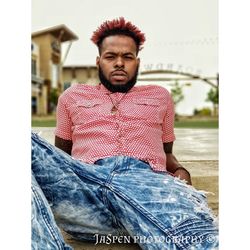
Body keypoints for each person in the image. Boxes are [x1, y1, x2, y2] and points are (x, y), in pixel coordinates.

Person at [32, 17, 218, 249]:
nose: (119, 63)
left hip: (146, 188)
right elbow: (61, 159)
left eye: (127, 57)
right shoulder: (72, 97)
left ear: (137, 63)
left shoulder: (160, 96)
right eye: (111, 57)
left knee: (199, 239)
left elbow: (167, 154)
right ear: (99, 61)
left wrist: (180, 170)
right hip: (86, 196)